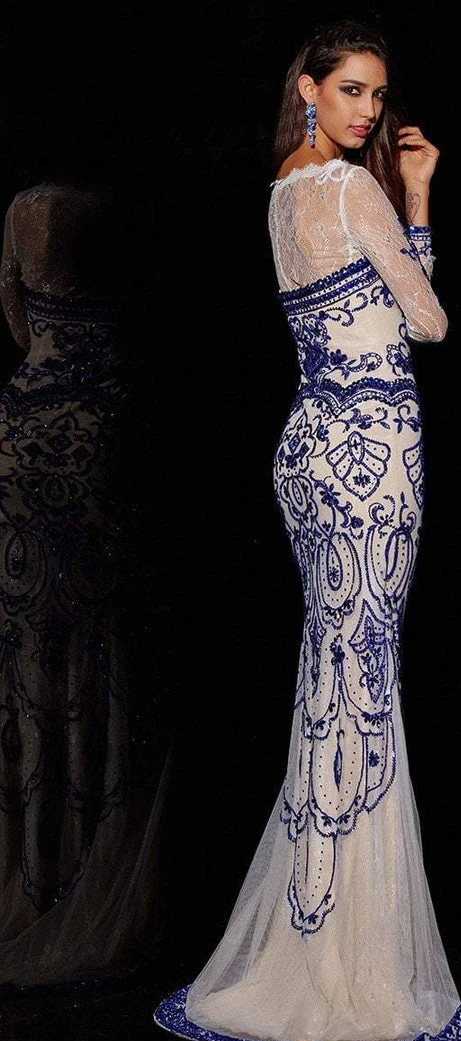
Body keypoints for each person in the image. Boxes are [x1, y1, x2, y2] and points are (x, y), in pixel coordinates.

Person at [154, 18, 461, 1041]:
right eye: (351, 90)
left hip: (308, 447)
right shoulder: (347, 191)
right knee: (360, 682)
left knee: (331, 676)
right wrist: (417, 198)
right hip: (372, 450)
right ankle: (344, 964)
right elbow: (428, 322)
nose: (368, 110)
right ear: (308, 89)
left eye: (378, 93)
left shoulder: (283, 191)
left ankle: (314, 935)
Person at [0, 104, 173, 986]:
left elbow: (17, 324)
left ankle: (34, 868)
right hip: (107, 426)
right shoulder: (135, 211)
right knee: (103, 645)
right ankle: (86, 869)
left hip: (26, 427)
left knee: (31, 642)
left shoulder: (27, 208)